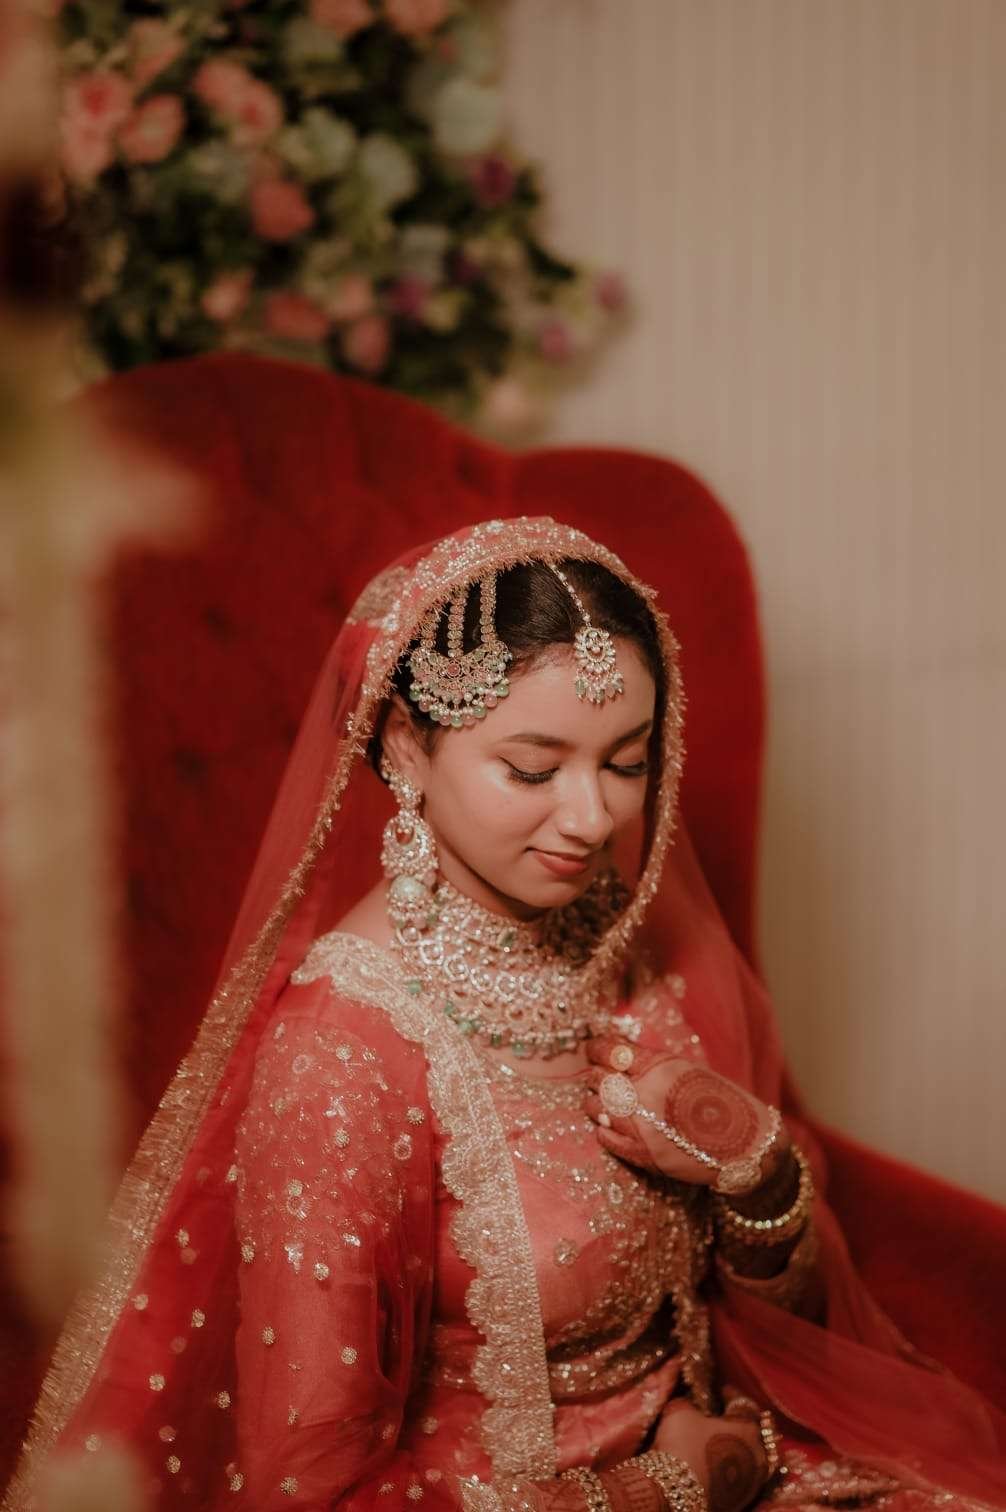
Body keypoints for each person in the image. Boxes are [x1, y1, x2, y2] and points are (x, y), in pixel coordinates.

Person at [4, 518, 1006, 1512]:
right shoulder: (341, 1052)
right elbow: (312, 1497)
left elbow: (793, 1327)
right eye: (532, 769)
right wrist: (671, 1488)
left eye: (627, 762)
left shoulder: (631, 938)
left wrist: (754, 1167)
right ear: (407, 748)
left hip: (753, 1457)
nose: (592, 818)